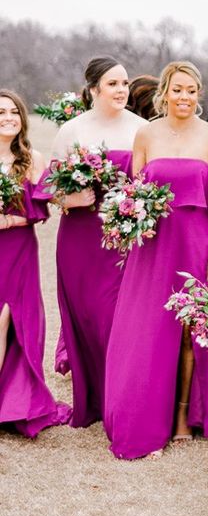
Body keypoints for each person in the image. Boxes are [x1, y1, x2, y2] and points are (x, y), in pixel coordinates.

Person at [105, 61, 208, 459]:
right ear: (165, 92)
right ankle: (146, 415)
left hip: (196, 243)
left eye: (192, 90)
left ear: (199, 93)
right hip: (152, 246)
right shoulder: (146, 134)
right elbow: (133, 193)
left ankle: (183, 417)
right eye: (178, 89)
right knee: (149, 329)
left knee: (188, 332)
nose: (185, 97)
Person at [39, 57, 147, 428]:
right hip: (81, 237)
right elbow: (49, 187)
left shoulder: (142, 128)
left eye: (125, 83)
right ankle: (94, 396)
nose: (122, 90)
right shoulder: (72, 130)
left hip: (124, 236)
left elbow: (151, 180)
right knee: (86, 315)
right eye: (113, 84)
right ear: (94, 89)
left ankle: (122, 394)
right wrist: (70, 198)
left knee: (117, 315)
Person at [0, 91, 71, 437]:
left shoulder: (31, 159)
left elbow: (44, 205)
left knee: (6, 322)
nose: (9, 117)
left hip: (17, 252)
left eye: (14, 111)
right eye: (1, 112)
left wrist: (10, 221)